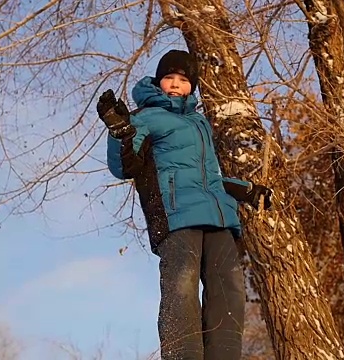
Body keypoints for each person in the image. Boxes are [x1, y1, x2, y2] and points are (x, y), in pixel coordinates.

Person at [97, 49, 272, 360]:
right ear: (159, 81)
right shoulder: (146, 117)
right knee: (183, 286)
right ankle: (183, 354)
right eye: (169, 78)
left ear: (192, 86)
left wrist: (247, 191)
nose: (176, 84)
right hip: (177, 215)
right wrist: (119, 131)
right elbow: (125, 166)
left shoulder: (199, 122)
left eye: (183, 79)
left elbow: (211, 177)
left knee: (229, 289)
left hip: (219, 217)